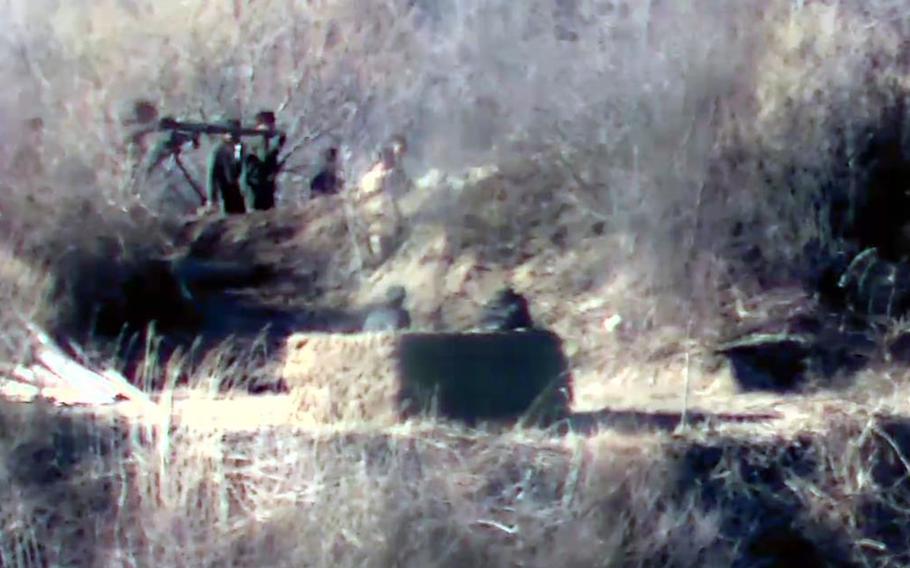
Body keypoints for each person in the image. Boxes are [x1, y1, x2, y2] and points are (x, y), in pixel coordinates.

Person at [241, 110, 286, 211]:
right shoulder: (259, 139)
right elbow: (264, 159)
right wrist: (276, 146)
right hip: (256, 186)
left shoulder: (259, 139)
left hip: (263, 185)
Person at [206, 117, 246, 215]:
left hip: (237, 191)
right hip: (223, 191)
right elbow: (211, 176)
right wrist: (212, 198)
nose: (232, 135)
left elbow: (239, 166)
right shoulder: (218, 151)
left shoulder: (238, 148)